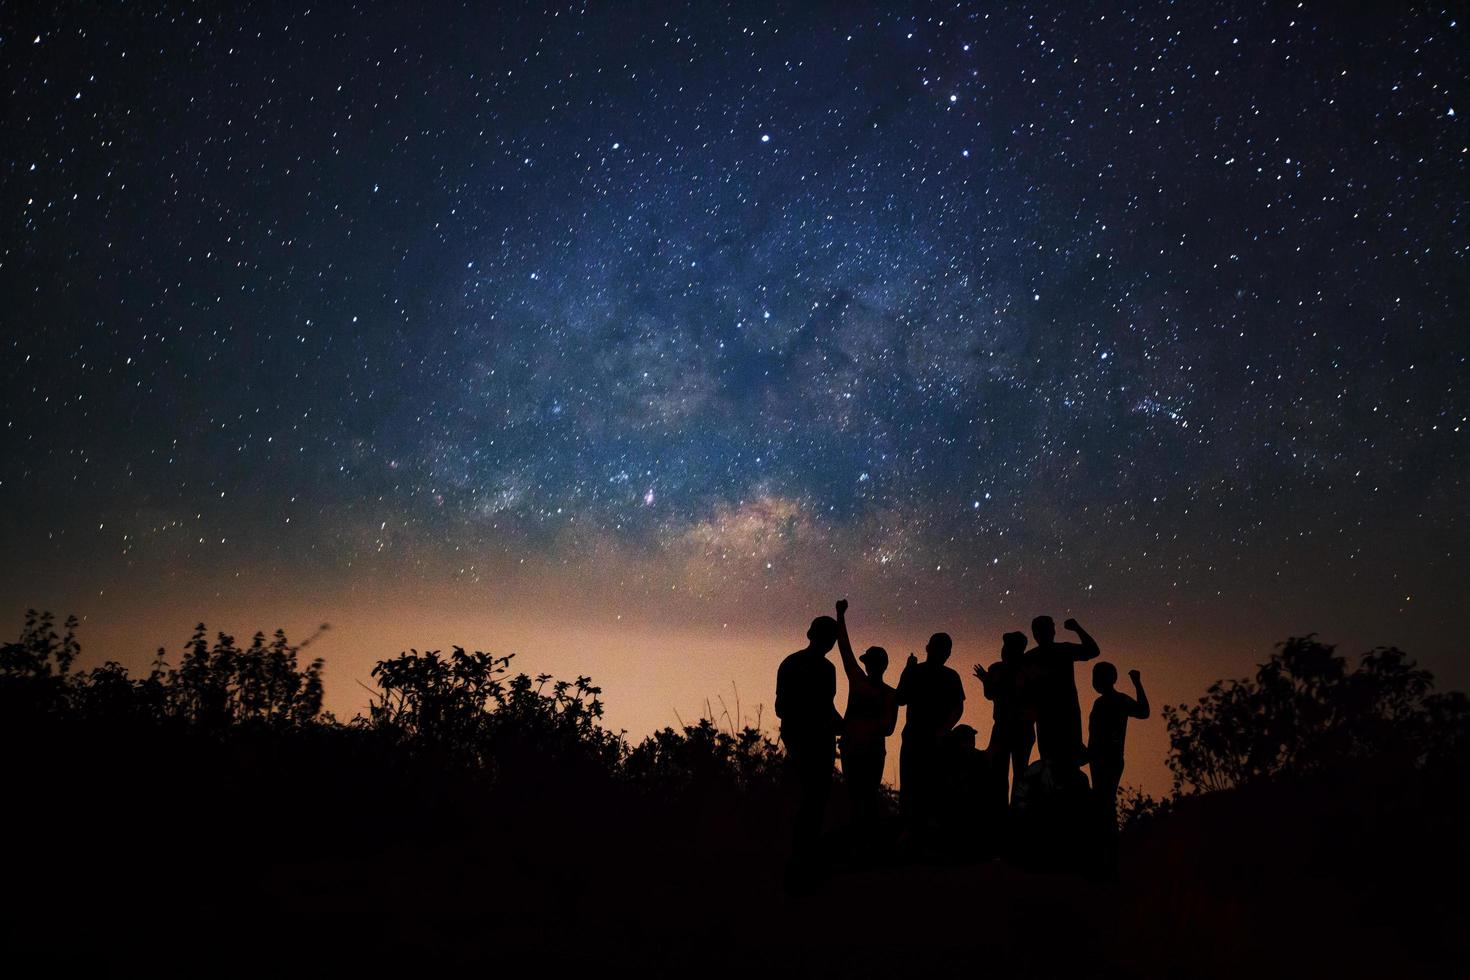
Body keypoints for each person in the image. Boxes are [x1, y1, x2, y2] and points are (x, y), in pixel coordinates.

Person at [775, 613, 843, 878]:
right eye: (829, 637)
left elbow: (827, 706)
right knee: (809, 797)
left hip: (814, 739)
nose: (830, 643)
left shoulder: (820, 668)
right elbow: (783, 708)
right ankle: (799, 854)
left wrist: (843, 726)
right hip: (806, 740)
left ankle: (804, 852)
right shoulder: (802, 666)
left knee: (815, 798)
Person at [834, 599, 898, 838]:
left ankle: (861, 839)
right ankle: (865, 839)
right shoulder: (889, 693)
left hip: (859, 750)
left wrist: (840, 615)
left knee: (858, 797)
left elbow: (845, 651)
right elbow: (888, 727)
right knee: (864, 796)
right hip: (867, 751)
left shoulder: (860, 683)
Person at [896, 632, 965, 833]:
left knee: (924, 788)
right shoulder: (946, 676)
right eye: (942, 649)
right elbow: (900, 698)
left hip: (925, 739)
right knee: (920, 788)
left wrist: (943, 731)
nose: (944, 654)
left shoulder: (942, 675)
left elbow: (900, 698)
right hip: (922, 738)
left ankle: (918, 834)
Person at [1026, 616, 1100, 768]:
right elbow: (1092, 650)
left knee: (1052, 763)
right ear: (1052, 631)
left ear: (1035, 634)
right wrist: (1077, 628)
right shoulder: (1063, 650)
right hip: (1064, 715)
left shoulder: (1030, 658)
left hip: (1049, 716)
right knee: (1067, 763)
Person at [972, 630, 1035, 806]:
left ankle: (1016, 811)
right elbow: (991, 694)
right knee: (1000, 772)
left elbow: (1006, 695)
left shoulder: (1026, 671)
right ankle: (1001, 810)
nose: (1004, 650)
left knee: (1019, 772)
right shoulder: (998, 669)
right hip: (1004, 726)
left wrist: (989, 681)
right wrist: (987, 681)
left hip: (1019, 727)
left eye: (1008, 647)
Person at [1088, 663, 1150, 826]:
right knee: (1102, 801)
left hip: (1110, 758)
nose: (1094, 681)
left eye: (1097, 677)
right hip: (1098, 759)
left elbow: (1144, 712)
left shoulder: (1119, 700)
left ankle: (1109, 838)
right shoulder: (1099, 703)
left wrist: (1137, 683)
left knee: (1105, 801)